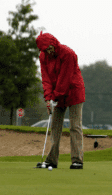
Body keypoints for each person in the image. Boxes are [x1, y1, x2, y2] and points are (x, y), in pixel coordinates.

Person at [36, 31, 86, 169]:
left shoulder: (68, 54)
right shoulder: (43, 57)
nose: (48, 52)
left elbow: (65, 79)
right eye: (44, 50)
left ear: (53, 43)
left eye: (49, 49)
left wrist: (54, 97)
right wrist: (48, 98)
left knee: (75, 126)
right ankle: (51, 160)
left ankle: (77, 160)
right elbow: (46, 78)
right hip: (56, 94)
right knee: (55, 126)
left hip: (74, 91)